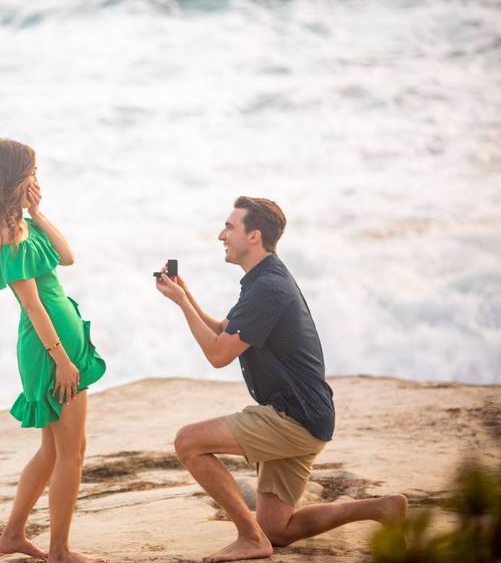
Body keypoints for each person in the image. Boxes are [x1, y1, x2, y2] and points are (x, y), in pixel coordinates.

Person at [155, 196, 407, 563]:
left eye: (230, 227)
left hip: (294, 417)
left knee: (188, 442)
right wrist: (186, 297)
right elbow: (225, 331)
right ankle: (382, 508)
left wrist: (181, 302)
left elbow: (217, 355)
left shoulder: (267, 288)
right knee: (277, 528)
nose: (221, 234)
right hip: (308, 416)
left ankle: (248, 538)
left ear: (254, 235)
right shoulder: (264, 279)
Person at [0, 138, 107, 563]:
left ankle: (13, 536)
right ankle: (60, 550)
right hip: (50, 351)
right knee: (71, 452)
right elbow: (32, 303)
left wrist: (38, 213)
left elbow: (67, 257)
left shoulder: (22, 222)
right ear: (14, 177)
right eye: (32, 171)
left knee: (53, 451)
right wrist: (62, 360)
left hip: (61, 345)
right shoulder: (6, 233)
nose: (36, 179)